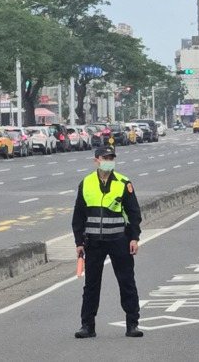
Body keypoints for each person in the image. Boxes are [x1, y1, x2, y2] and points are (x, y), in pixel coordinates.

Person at [72, 145, 143, 338]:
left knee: (127, 281)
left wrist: (134, 237)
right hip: (94, 242)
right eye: (105, 158)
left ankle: (132, 324)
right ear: (96, 160)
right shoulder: (86, 183)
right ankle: (87, 325)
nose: (109, 161)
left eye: (111, 158)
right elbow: (78, 215)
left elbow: (134, 213)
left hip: (119, 239)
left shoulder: (123, 182)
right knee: (91, 285)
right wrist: (79, 242)